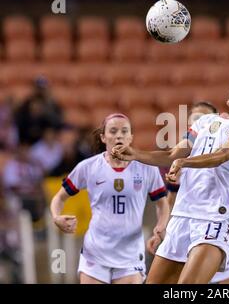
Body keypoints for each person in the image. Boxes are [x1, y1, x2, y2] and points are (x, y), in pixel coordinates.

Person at [112, 78, 229, 284]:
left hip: (215, 219)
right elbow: (172, 154)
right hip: (182, 216)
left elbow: (221, 155)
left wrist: (185, 162)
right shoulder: (206, 122)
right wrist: (135, 154)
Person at [50, 113, 170, 284]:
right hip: (95, 253)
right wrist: (56, 217)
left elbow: (162, 203)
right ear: (103, 137)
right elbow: (59, 198)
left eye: (124, 131)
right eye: (113, 131)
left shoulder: (146, 168)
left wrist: (160, 226)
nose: (119, 135)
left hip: (130, 255)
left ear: (131, 137)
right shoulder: (88, 167)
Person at [164, 102, 229, 284]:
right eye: (196, 119)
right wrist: (164, 230)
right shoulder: (181, 159)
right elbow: (171, 201)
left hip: (216, 230)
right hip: (187, 232)